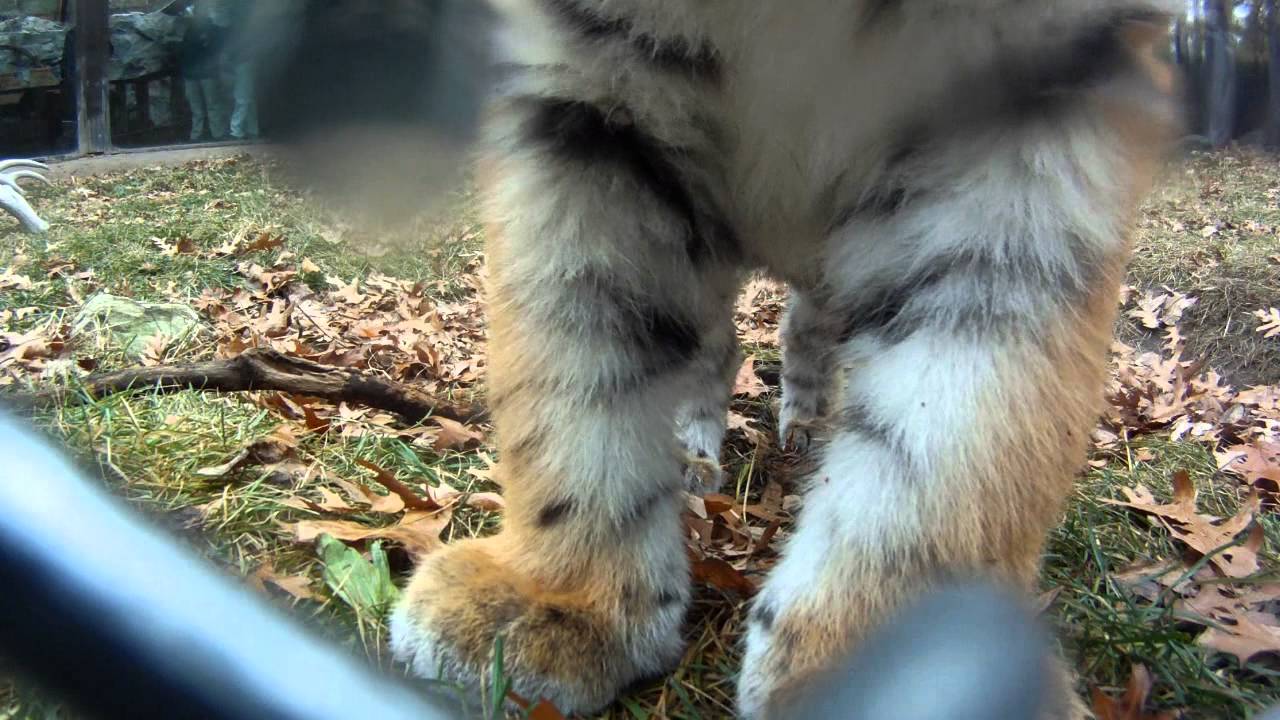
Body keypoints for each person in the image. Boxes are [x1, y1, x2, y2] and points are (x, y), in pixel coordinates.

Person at [176, 1, 226, 142]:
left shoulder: (211, 28)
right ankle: (198, 135)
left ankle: (216, 134)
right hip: (193, 73)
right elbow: (184, 50)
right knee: (199, 107)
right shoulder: (189, 29)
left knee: (210, 106)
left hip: (205, 73)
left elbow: (215, 48)